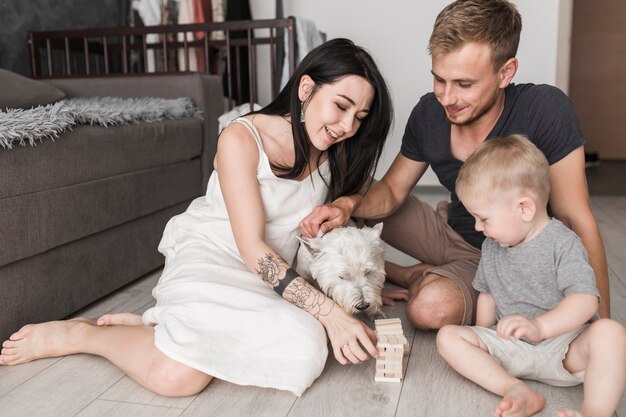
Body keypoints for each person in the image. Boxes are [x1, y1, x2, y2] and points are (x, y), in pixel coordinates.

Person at [0, 38, 396, 397]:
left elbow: (373, 195)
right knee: (177, 378)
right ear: (306, 88)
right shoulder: (241, 138)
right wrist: (327, 312)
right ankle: (83, 336)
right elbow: (253, 249)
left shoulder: (335, 148)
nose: (347, 126)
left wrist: (376, 272)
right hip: (217, 258)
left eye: (360, 117)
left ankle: (163, 328)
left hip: (271, 278)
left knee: (307, 349)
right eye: (342, 106)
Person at [299, 0, 611, 330]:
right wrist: (346, 205)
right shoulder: (428, 113)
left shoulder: (545, 109)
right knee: (351, 183)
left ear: (506, 72)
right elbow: (391, 191)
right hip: (448, 231)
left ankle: (409, 275)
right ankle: (401, 270)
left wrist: (600, 327)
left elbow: (575, 217)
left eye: (464, 84)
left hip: (499, 251)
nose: (447, 98)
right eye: (439, 79)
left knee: (429, 310)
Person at [436, 135, 626, 417]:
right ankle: (514, 388)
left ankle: (594, 413)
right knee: (448, 337)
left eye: (484, 218)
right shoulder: (492, 246)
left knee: (611, 334)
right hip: (512, 348)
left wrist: (540, 327)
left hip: (564, 346)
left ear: (524, 208)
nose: (477, 227)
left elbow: (586, 301)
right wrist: (484, 335)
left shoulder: (563, 243)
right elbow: (487, 293)